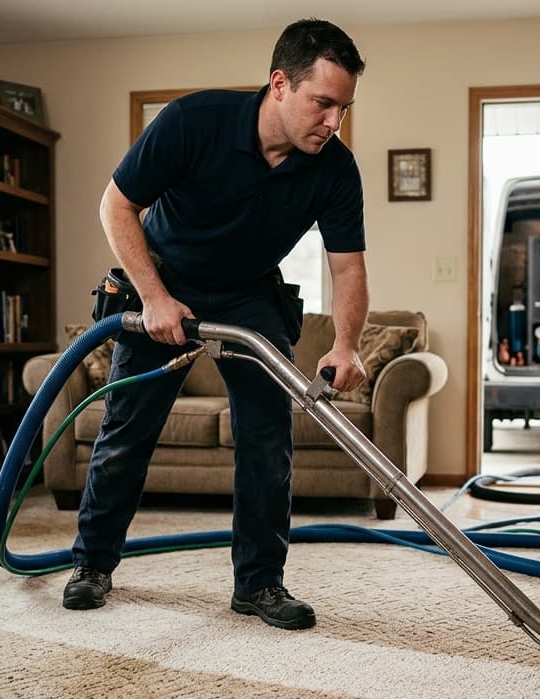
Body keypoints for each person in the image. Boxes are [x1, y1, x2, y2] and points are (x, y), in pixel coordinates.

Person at [63, 18, 369, 631]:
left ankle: (259, 583)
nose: (333, 122)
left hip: (249, 293)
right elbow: (116, 204)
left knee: (267, 436)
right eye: (323, 103)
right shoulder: (191, 121)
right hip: (163, 281)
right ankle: (92, 565)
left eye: (343, 108)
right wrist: (152, 297)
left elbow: (348, 266)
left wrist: (346, 344)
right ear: (280, 84)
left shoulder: (335, 169)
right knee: (127, 432)